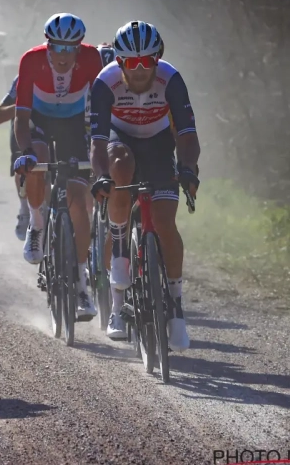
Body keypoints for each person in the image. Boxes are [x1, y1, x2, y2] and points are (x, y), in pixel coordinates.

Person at [90, 20, 200, 350]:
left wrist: (189, 169)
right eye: (131, 63)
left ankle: (177, 308)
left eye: (147, 61)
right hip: (120, 141)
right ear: (118, 62)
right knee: (120, 167)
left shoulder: (171, 78)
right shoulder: (104, 82)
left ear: (158, 59)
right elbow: (97, 143)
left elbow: (187, 136)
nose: (139, 70)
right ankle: (118, 279)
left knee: (165, 223)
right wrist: (100, 175)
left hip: (158, 145)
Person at [13, 13, 103, 320]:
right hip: (38, 122)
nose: (64, 55)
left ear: (80, 47)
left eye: (71, 48)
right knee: (37, 157)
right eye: (57, 48)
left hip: (73, 127)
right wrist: (24, 152)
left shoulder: (91, 59)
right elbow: (21, 118)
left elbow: (102, 109)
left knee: (79, 200)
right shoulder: (31, 60)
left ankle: (80, 284)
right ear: (47, 45)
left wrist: (100, 149)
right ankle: (37, 223)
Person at [0, 76, 45, 241]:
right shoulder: (24, 78)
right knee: (25, 160)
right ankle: (24, 210)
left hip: (54, 128)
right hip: (26, 127)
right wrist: (24, 106)